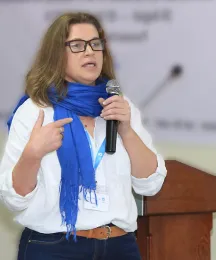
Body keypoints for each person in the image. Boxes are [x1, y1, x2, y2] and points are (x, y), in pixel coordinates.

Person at [0, 12, 167, 260]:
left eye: (95, 44)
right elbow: (15, 200)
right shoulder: (36, 111)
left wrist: (127, 131)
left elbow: (151, 184)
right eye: (77, 46)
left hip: (119, 246)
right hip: (55, 247)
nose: (89, 52)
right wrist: (32, 155)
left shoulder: (120, 107)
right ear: (56, 54)